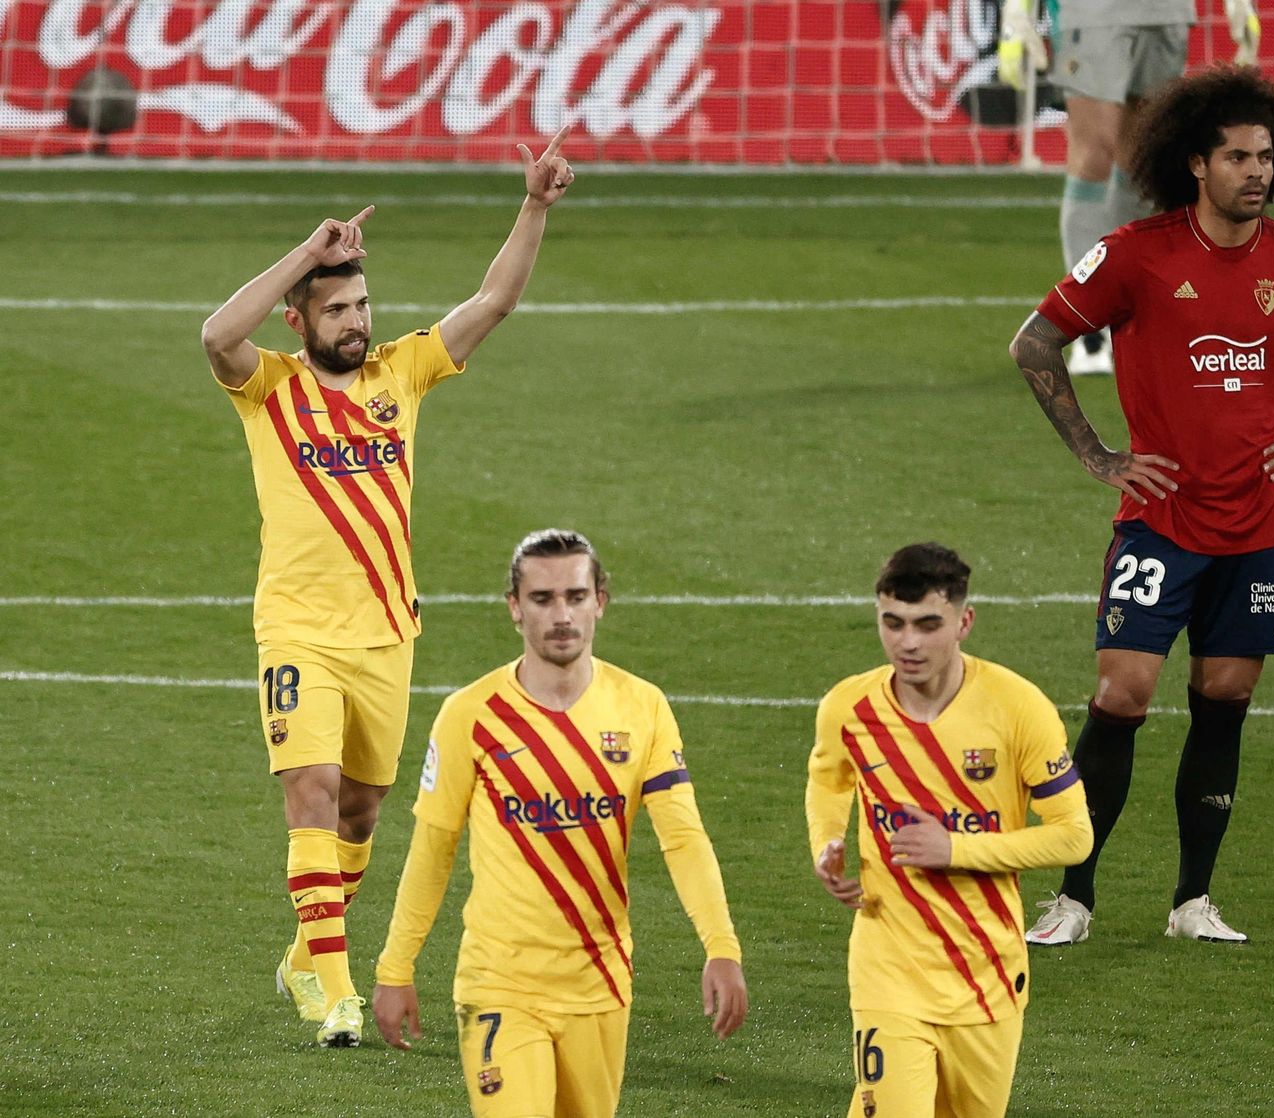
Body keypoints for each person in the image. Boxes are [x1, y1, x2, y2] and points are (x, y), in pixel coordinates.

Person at [200, 130, 576, 1046]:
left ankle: (305, 954)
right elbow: (216, 333)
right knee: (311, 792)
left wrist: (534, 205)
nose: (355, 322)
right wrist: (308, 253)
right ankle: (337, 995)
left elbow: (494, 301)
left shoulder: (399, 374)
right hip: (296, 633)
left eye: (362, 305)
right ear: (301, 322)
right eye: (336, 309)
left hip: (386, 635)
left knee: (362, 812)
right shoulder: (268, 388)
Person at [1009, 67, 1274, 946]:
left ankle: (1192, 903)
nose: (1256, 171)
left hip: (1258, 528)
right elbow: (1035, 343)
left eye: (1266, 156)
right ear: (1197, 164)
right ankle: (1074, 899)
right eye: (1237, 157)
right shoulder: (1136, 253)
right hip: (1160, 523)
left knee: (1225, 697)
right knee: (1121, 694)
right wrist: (1098, 454)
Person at [371, 530, 748, 1117]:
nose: (562, 615)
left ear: (600, 601)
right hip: (498, 984)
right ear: (515, 607)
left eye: (575, 596)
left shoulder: (642, 707)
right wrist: (395, 967)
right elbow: (433, 848)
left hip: (600, 984)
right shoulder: (470, 716)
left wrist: (721, 947)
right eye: (543, 599)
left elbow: (682, 838)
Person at [806, 542, 1092, 1117]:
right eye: (893, 623)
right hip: (888, 969)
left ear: (964, 622)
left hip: (986, 977)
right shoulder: (849, 708)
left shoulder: (1018, 708)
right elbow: (829, 779)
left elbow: (1073, 835)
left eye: (927, 625)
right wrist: (828, 843)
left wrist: (955, 848)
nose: (907, 643)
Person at [998, 0, 1260, 376]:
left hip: (1166, 12)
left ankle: (1128, 309)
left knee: (1142, 157)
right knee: (1093, 153)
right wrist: (1016, 13)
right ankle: (1088, 328)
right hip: (1093, 12)